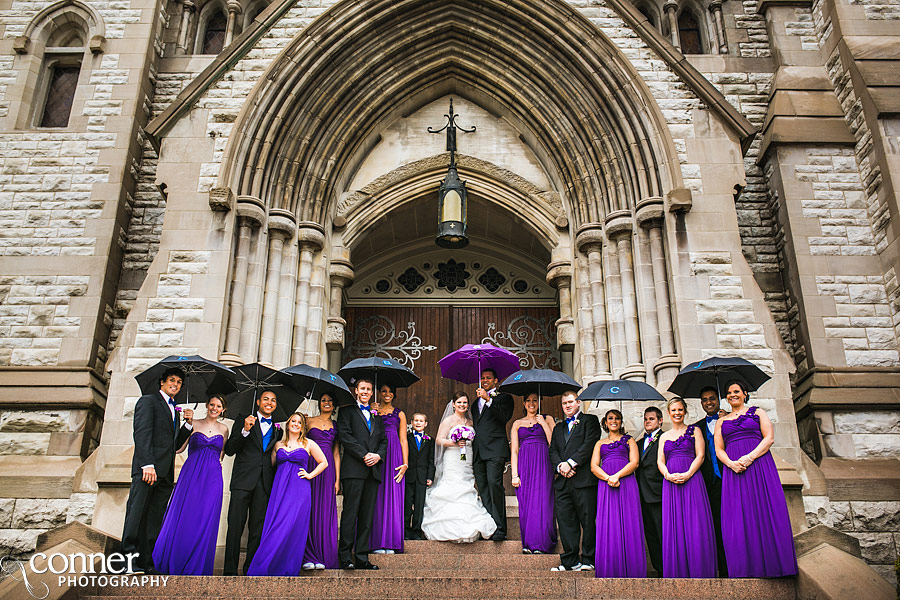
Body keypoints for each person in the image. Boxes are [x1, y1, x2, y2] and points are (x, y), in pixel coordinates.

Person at [715, 380, 798, 577]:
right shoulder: (721, 421)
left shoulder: (758, 412)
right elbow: (718, 448)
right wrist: (731, 463)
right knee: (739, 515)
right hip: (734, 470)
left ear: (745, 393)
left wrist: (750, 457)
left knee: (763, 509)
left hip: (759, 466)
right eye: (729, 392)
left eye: (736, 391)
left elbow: (769, 438)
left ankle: (774, 565)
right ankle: (746, 568)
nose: (732, 394)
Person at [121, 367, 193, 574]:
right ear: (162, 382)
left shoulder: (175, 410)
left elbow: (175, 446)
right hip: (147, 470)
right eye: (172, 380)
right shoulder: (148, 401)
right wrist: (147, 465)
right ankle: (127, 560)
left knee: (154, 520)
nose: (175, 385)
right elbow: (142, 434)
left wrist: (187, 426)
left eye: (179, 382)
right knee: (136, 515)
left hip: (165, 473)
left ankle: (146, 562)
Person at [152, 394, 228, 575]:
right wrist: (185, 424)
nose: (214, 408)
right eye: (212, 404)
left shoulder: (224, 429)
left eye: (218, 406)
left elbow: (222, 453)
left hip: (213, 478)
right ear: (207, 405)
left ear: (223, 410)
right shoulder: (193, 423)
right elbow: (178, 448)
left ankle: (196, 565)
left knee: (205, 518)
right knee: (184, 514)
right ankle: (175, 559)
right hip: (191, 475)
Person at [247, 412, 328, 576]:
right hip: (280, 490)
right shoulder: (278, 445)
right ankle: (266, 565)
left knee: (291, 526)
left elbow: (324, 462)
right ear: (288, 423)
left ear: (303, 426)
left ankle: (286, 566)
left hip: (299, 490)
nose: (296, 424)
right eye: (293, 421)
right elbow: (270, 467)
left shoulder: (308, 443)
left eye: (299, 422)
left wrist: (310, 475)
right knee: (276, 525)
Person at [422, 392, 498, 542]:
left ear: (468, 405)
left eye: (465, 403)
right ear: (453, 404)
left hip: (467, 459)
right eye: (459, 402)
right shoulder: (449, 421)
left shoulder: (470, 422)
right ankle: (448, 526)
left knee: (466, 485)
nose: (462, 405)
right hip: (452, 457)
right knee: (452, 485)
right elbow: (438, 440)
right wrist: (454, 443)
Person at [223, 389, 283, 575]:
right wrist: (245, 430)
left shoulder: (277, 429)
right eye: (266, 399)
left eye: (273, 400)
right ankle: (230, 570)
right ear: (258, 402)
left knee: (257, 529)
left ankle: (251, 569)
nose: (269, 403)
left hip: (265, 483)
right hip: (243, 480)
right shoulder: (244, 420)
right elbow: (230, 449)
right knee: (235, 526)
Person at [658, 397, 716, 578]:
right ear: (668, 413)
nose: (677, 413)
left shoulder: (695, 431)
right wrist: (667, 474)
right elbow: (660, 460)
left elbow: (700, 456)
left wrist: (688, 473)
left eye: (680, 410)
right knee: (674, 524)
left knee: (695, 522)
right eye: (673, 410)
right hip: (671, 482)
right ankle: (678, 570)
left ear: (685, 412)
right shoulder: (664, 436)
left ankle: (700, 568)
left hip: (692, 480)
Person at [337, 378, 387, 570]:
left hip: (372, 471)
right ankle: (345, 557)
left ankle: (361, 557)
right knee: (350, 514)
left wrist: (378, 456)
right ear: (356, 391)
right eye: (362, 389)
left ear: (371, 393)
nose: (365, 391)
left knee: (367, 517)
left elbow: (383, 441)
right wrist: (363, 454)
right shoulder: (347, 411)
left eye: (368, 389)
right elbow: (345, 436)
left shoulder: (377, 416)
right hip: (354, 470)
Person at [548, 390, 600, 572]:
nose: (567, 406)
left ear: (578, 402)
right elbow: (552, 450)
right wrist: (561, 467)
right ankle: (570, 561)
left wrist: (571, 464)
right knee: (566, 522)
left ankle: (588, 559)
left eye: (570, 402)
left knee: (588, 521)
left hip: (584, 481)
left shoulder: (590, 421)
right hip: (563, 483)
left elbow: (589, 444)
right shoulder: (558, 428)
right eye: (564, 403)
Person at [590, 409, 645, 578]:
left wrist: (617, 476)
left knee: (629, 522)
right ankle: (611, 568)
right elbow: (593, 466)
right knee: (609, 523)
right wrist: (608, 478)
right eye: (610, 418)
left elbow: (635, 463)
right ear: (605, 423)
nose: (614, 421)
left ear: (621, 422)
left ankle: (632, 568)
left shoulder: (629, 441)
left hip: (626, 483)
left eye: (617, 418)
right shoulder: (599, 443)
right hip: (607, 486)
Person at [471, 368, 514, 541]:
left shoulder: (504, 398)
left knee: (494, 484)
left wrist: (489, 400)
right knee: (483, 487)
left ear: (496, 380)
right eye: (482, 378)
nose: (485, 380)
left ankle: (500, 528)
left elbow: (504, 417)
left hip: (495, 450)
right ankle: (490, 525)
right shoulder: (475, 404)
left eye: (488, 378)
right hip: (479, 451)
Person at [510, 392, 556, 554]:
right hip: (525, 465)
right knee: (527, 503)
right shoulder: (517, 423)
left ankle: (542, 544)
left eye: (535, 400)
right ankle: (528, 544)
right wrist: (515, 474)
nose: (531, 403)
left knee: (543, 501)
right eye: (528, 400)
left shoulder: (547, 419)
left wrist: (543, 424)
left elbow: (554, 443)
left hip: (543, 464)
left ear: (539, 402)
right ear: (523, 404)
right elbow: (514, 450)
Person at [302, 393, 341, 570]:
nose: (327, 402)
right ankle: (307, 555)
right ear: (319, 403)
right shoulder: (308, 422)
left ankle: (324, 555)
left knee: (325, 511)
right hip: (311, 466)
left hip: (329, 470)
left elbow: (336, 453)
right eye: (323, 400)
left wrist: (337, 479)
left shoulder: (336, 425)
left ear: (334, 405)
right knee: (309, 509)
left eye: (330, 400)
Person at [692, 386, 728, 576]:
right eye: (705, 400)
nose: (709, 402)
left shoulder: (731, 419)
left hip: (731, 480)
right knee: (715, 526)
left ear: (718, 399)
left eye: (712, 398)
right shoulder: (697, 427)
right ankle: (722, 569)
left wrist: (727, 420)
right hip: (710, 484)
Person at [371, 383, 408, 554]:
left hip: (394, 456)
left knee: (392, 496)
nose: (387, 394)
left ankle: (391, 541)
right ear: (379, 393)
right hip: (377, 454)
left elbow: (403, 440)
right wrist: (372, 412)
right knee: (376, 496)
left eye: (390, 391)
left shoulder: (399, 414)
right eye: (384, 391)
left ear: (394, 395)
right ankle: (376, 541)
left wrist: (405, 463)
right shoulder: (374, 411)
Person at [637, 405, 664, 576]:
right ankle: (658, 567)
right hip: (641, 494)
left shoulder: (665, 438)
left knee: (663, 532)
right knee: (651, 534)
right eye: (646, 419)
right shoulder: (638, 442)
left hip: (659, 493)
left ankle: (669, 568)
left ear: (660, 420)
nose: (647, 422)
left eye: (651, 419)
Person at [404, 412, 435, 540]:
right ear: (411, 422)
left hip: (422, 477)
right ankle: (405, 531)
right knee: (407, 504)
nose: (418, 423)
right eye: (416, 420)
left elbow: (431, 460)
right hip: (409, 475)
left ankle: (416, 531)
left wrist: (430, 477)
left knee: (419, 505)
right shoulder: (406, 437)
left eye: (421, 421)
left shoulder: (429, 440)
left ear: (425, 424)